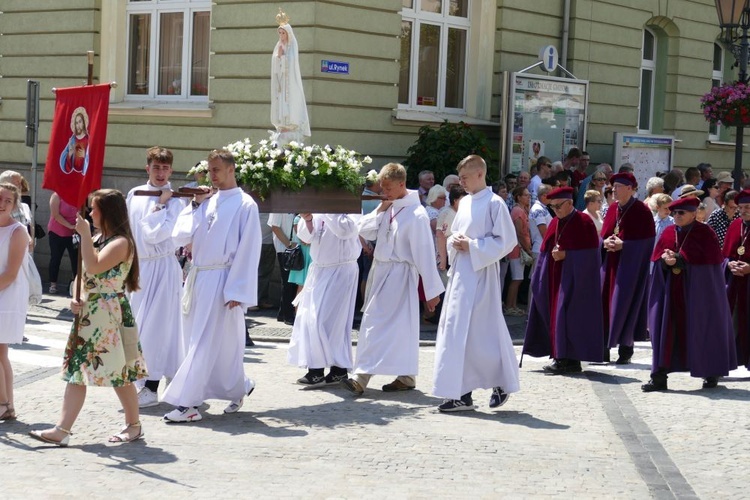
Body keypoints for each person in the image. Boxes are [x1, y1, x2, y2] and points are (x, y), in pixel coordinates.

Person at [29, 189, 147, 446]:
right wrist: (76, 297)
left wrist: (83, 235)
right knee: (76, 371)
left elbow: (94, 265)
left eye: (94, 209)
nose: (90, 213)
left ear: (108, 212)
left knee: (120, 373)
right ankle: (62, 429)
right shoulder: (97, 237)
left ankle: (134, 425)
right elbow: (85, 276)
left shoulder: (121, 242)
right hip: (88, 314)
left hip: (108, 316)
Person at [162, 149, 261, 422]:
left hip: (223, 280)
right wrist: (195, 205)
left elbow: (249, 249)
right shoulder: (207, 200)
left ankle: (188, 404)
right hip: (198, 277)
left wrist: (237, 290)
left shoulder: (245, 204)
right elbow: (179, 236)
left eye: (216, 169)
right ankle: (239, 386)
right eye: (210, 170)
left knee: (203, 343)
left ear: (231, 169)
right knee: (201, 340)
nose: (212, 175)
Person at [341, 163, 443, 396]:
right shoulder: (389, 206)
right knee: (398, 328)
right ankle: (406, 376)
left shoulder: (417, 214)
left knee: (374, 322)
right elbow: (363, 230)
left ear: (401, 184)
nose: (384, 192)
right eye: (382, 188)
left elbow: (424, 254)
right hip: (382, 273)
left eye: (388, 188)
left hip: (400, 276)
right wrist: (379, 210)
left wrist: (432, 291)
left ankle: (361, 376)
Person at [432, 155, 519, 412]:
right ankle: (460, 393)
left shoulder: (495, 203)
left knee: (482, 332)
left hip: (481, 275)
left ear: (480, 174)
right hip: (461, 274)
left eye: (466, 177)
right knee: (456, 331)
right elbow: (453, 235)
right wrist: (455, 242)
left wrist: (472, 246)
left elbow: (507, 241)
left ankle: (500, 381)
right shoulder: (467, 202)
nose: (462, 183)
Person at [642, 196, 737, 392]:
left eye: (681, 213)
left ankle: (710, 371)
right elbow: (658, 258)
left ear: (694, 214)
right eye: (674, 212)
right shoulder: (669, 232)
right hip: (671, 294)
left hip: (697, 295)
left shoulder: (705, 233)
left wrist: (678, 259)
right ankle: (659, 377)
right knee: (665, 331)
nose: (676, 216)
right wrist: (664, 261)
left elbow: (707, 270)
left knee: (703, 328)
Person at [126, 146, 186, 409]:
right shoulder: (134, 194)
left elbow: (156, 235)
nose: (161, 173)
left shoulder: (176, 201)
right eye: (156, 167)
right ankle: (145, 380)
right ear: (147, 168)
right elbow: (129, 230)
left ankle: (152, 386)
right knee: (138, 327)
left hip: (162, 268)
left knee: (158, 328)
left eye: (165, 168)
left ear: (171, 170)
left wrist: (161, 204)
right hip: (140, 268)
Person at [523, 187, 604, 374]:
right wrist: (539, 279)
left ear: (569, 203)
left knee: (571, 319)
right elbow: (544, 253)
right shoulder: (554, 223)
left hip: (576, 283)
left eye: (559, 206)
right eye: (553, 207)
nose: (556, 211)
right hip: (554, 281)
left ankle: (571, 360)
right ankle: (560, 357)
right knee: (556, 317)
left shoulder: (584, 223)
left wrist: (567, 255)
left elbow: (592, 256)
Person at [287, 213, 361, 387]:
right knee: (309, 319)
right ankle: (319, 369)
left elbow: (346, 231)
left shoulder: (351, 208)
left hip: (341, 270)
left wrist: (328, 210)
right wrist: (308, 220)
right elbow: (306, 238)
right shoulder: (320, 209)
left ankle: (336, 368)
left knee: (330, 322)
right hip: (319, 270)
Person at [601, 172, 655, 364]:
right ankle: (603, 348)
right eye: (613, 186)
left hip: (630, 269)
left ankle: (625, 348)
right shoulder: (612, 208)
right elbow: (604, 234)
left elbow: (648, 242)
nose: (614, 190)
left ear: (631, 189)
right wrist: (605, 242)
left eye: (619, 186)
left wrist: (626, 246)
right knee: (604, 306)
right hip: (610, 266)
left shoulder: (642, 211)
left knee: (625, 305)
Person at [0, 183, 30, 421]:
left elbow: (10, 273)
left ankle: (2, 403)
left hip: (8, 295)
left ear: (14, 204)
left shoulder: (18, 231)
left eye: (7, 201)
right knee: (1, 354)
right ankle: (8, 406)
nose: (2, 204)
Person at [271, 13, 310, 145]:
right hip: (281, 84)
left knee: (291, 102)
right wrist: (278, 57)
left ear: (288, 34)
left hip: (290, 84)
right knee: (281, 102)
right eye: (280, 33)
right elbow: (275, 67)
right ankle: (283, 124)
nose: (281, 36)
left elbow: (291, 64)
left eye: (283, 33)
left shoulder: (292, 47)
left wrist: (282, 57)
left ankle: (291, 123)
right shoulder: (278, 47)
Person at [724, 189, 750, 371]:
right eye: (740, 207)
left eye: (747, 207)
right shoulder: (735, 226)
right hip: (735, 285)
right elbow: (723, 255)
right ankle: (721, 363)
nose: (743, 211)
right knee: (729, 324)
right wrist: (729, 265)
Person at [504, 186, 532, 316]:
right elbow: (520, 233)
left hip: (519, 247)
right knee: (516, 278)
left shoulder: (522, 210)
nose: (528, 197)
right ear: (518, 197)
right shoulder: (517, 211)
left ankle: (513, 305)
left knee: (518, 278)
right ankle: (510, 306)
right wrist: (527, 248)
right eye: (526, 195)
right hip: (517, 249)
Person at [269, 213, 298, 324]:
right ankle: (288, 315)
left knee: (290, 282)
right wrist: (289, 244)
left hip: (294, 248)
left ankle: (282, 313)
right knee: (288, 283)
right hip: (285, 249)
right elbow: (275, 227)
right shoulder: (279, 206)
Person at [47, 192, 79, 294]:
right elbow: (55, 215)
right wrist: (70, 226)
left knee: (76, 260)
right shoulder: (56, 196)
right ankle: (53, 284)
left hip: (74, 233)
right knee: (56, 258)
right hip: (57, 232)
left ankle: (76, 284)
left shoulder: (78, 195)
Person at [436, 185, 467, 283]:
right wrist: (443, 258)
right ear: (455, 200)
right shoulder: (446, 213)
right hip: (449, 255)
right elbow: (440, 235)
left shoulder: (461, 213)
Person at [59, 107, 90, 175]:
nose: (78, 125)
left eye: (80, 122)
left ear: (84, 123)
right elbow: (64, 157)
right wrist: (70, 154)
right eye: (76, 123)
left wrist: (85, 155)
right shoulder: (73, 139)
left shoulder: (88, 139)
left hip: (84, 174)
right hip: (73, 173)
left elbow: (92, 157)